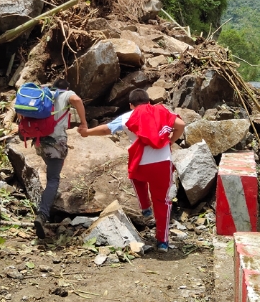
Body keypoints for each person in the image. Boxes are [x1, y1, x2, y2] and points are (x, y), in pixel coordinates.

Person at [78, 89, 185, 252]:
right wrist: (170, 141)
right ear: (149, 102)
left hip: (141, 164)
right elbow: (181, 125)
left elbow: (107, 129)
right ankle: (162, 241)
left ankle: (145, 207)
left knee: (135, 175)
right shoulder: (161, 112)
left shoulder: (129, 116)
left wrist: (87, 133)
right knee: (162, 201)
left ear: (131, 105)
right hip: (163, 164)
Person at [32, 78, 88, 239]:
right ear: (67, 87)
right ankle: (42, 215)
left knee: (51, 168)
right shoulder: (66, 94)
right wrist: (84, 123)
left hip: (39, 141)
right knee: (53, 179)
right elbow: (77, 100)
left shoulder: (45, 94)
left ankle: (50, 196)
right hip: (56, 142)